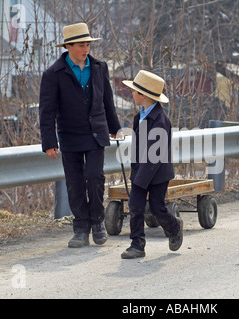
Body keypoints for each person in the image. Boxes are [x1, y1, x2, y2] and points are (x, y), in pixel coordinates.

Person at [39, 22, 123, 248]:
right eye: (80, 45)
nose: (85, 49)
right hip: (70, 135)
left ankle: (97, 223)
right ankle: (81, 228)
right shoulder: (53, 74)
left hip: (96, 133)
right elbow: (47, 111)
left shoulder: (99, 67)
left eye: (87, 44)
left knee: (94, 177)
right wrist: (49, 141)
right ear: (68, 46)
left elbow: (107, 100)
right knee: (75, 183)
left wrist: (115, 128)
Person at [120, 70, 183, 259]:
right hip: (142, 170)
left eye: (134, 91)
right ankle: (137, 245)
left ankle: (174, 227)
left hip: (158, 172)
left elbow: (154, 157)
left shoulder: (160, 121)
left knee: (157, 208)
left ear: (144, 95)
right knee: (135, 205)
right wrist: (136, 171)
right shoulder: (139, 117)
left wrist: (141, 180)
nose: (131, 94)